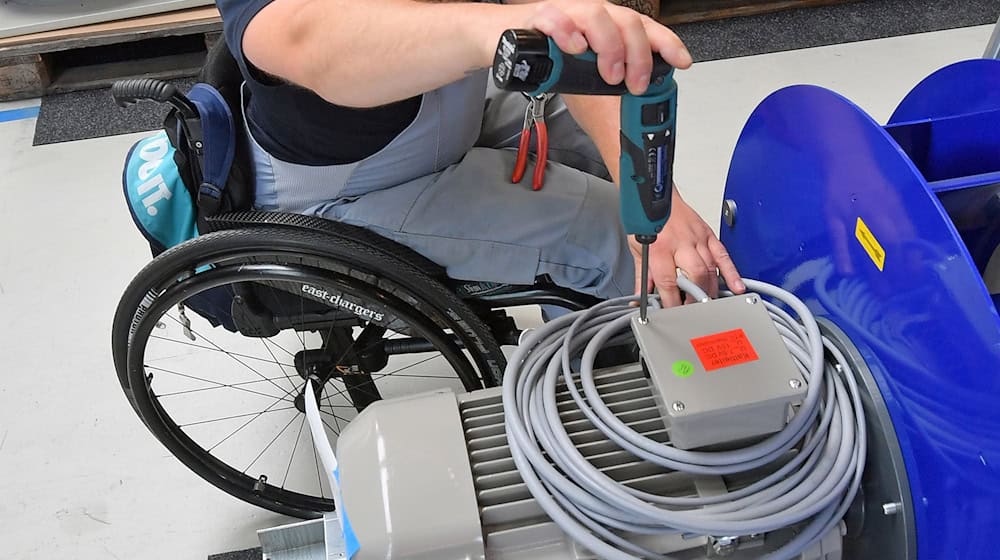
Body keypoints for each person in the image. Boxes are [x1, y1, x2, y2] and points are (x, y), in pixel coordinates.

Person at [215, 0, 745, 307]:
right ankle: (638, 408)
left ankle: (595, 343)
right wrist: (493, 26)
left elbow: (564, 27)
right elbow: (309, 44)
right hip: (352, 187)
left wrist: (658, 200)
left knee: (603, 160)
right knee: (613, 243)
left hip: (443, 111)